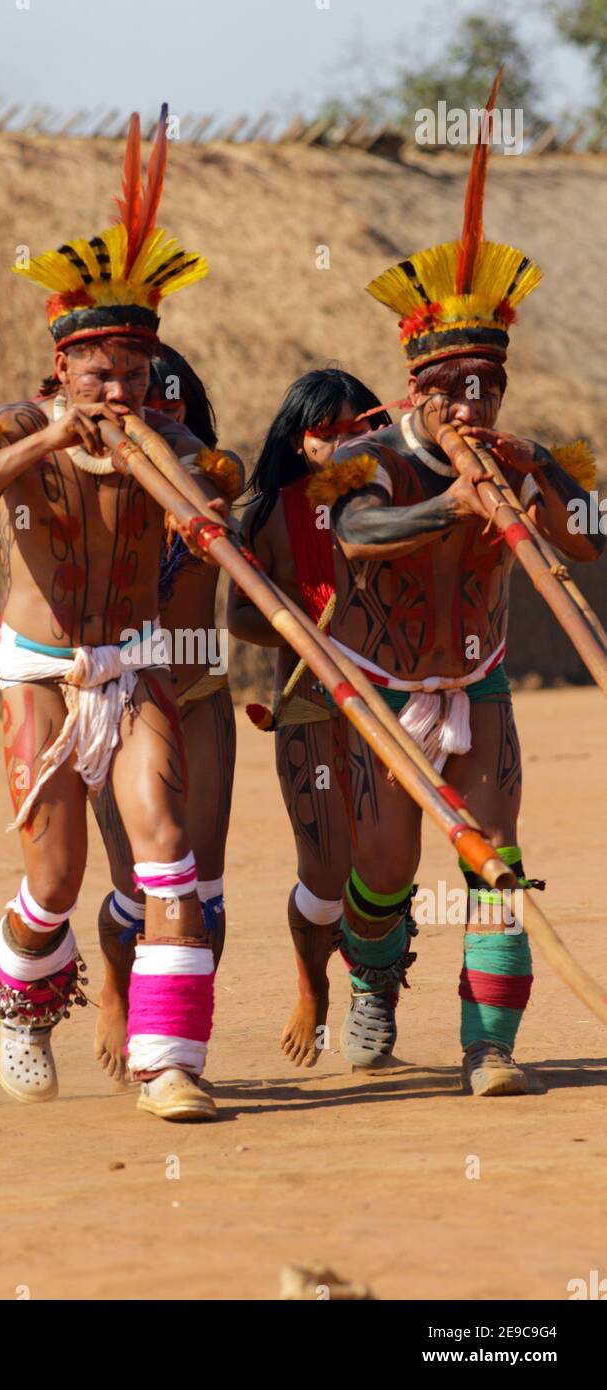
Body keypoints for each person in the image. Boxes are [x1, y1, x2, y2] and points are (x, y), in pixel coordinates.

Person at [0, 106, 239, 1122]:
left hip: (132, 665)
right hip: (40, 674)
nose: (116, 388)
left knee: (167, 849)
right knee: (50, 880)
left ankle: (169, 1064)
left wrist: (186, 494)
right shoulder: (10, 427)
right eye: (98, 372)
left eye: (133, 374)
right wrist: (46, 442)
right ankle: (22, 1003)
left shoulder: (172, 447)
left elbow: (204, 515)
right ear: (60, 368)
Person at [325, 89, 604, 1094]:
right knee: (385, 869)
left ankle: (487, 1047)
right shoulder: (369, 459)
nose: (470, 404)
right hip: (382, 687)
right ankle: (370, 976)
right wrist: (448, 508)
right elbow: (353, 537)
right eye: (451, 388)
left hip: (476, 681)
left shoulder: (525, 459)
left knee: (495, 857)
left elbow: (595, 540)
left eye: (486, 385)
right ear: (415, 389)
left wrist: (540, 473)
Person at [228, 369, 390, 1067]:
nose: (343, 444)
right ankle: (311, 986)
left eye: (359, 429)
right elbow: (238, 616)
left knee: (380, 863)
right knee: (325, 870)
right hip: (304, 706)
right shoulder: (265, 516)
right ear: (299, 439)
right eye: (328, 433)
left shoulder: (397, 497)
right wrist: (298, 629)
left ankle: (372, 995)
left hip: (387, 702)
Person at [90, 344, 243, 1081]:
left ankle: (178, 1045)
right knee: (134, 890)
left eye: (173, 407)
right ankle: (116, 989)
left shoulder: (209, 490)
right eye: (155, 403)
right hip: (118, 696)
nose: (156, 417)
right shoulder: (92, 491)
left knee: (200, 895)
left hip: (200, 697)